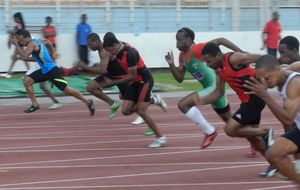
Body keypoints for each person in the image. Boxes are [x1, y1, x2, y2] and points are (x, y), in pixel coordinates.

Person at [164, 27, 243, 149]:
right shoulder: (182, 56)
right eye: (176, 40)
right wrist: (171, 64)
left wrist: (241, 53)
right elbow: (180, 78)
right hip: (212, 91)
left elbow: (221, 40)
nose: (177, 43)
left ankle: (210, 131)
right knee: (231, 126)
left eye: (179, 40)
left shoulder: (197, 49)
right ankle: (256, 139)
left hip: (215, 88)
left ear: (189, 39)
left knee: (183, 105)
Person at [77, 33, 167, 133]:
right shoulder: (109, 48)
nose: (89, 47)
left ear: (97, 41)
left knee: (134, 104)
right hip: (112, 76)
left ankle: (151, 107)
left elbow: (102, 70)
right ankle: (113, 104)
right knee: (91, 87)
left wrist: (84, 67)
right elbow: (105, 66)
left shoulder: (106, 51)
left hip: (121, 77)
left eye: (90, 44)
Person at [200, 42, 273, 155]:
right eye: (205, 62)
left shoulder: (233, 59)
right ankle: (274, 163)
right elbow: (219, 92)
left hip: (255, 99)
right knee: (254, 139)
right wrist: (200, 101)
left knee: (230, 129)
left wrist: (271, 72)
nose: (208, 65)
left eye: (209, 61)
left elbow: (261, 58)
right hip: (246, 102)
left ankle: (265, 132)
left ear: (218, 55)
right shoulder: (218, 70)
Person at [244, 55, 300, 187]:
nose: (264, 82)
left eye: (267, 78)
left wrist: (265, 95)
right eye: (260, 78)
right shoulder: (282, 74)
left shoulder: (294, 83)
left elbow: (287, 119)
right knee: (273, 154)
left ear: (276, 69)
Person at [102, 32, 166, 148]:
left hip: (144, 80)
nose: (108, 53)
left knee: (142, 111)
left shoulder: (129, 53)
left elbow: (131, 76)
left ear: (115, 46)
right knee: (125, 111)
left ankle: (160, 137)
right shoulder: (117, 48)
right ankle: (152, 100)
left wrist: (113, 83)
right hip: (135, 82)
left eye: (108, 50)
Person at [8, 29, 94, 115]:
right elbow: (30, 56)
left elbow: (24, 56)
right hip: (44, 71)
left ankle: (88, 101)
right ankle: (35, 105)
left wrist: (15, 44)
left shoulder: (32, 44)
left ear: (25, 37)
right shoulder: (35, 41)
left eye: (20, 39)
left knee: (67, 90)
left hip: (52, 71)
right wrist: (52, 53)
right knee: (27, 81)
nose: (19, 42)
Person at [1, 12, 29, 79]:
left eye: (15, 18)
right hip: (19, 43)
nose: (14, 19)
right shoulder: (18, 24)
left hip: (20, 44)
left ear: (18, 18)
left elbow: (19, 32)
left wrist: (12, 33)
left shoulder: (20, 24)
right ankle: (9, 73)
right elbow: (16, 32)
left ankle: (29, 73)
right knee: (16, 58)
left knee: (23, 58)